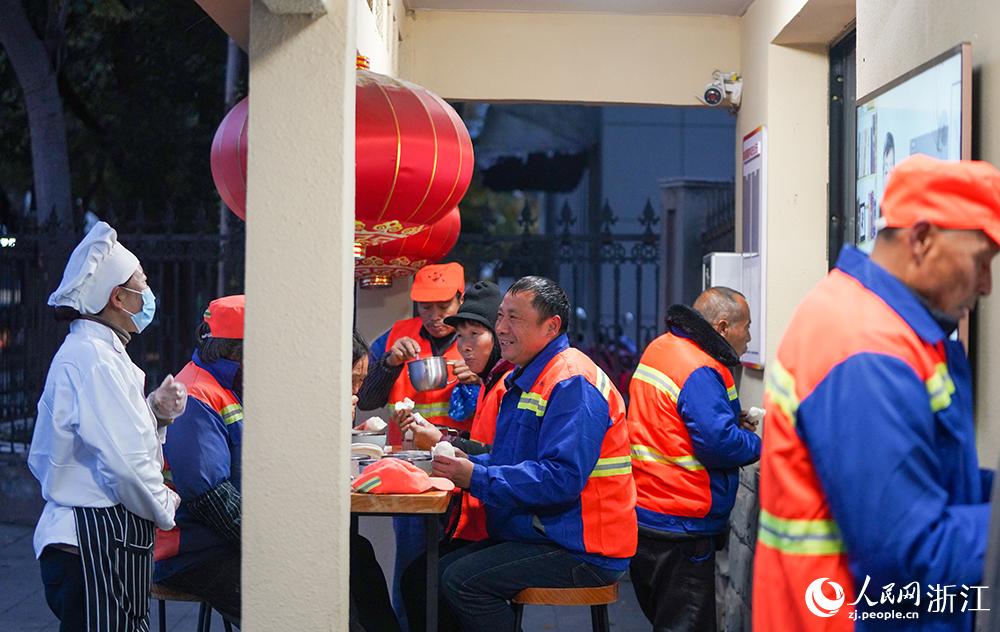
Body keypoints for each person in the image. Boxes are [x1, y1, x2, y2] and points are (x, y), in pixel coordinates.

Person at [753, 154, 1000, 631]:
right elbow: (909, 553)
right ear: (923, 239)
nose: (987, 285)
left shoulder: (877, 323)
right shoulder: (866, 349)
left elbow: (929, 474)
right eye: (982, 260)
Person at [432, 276, 637, 632]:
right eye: (500, 317)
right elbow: (510, 459)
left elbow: (561, 478)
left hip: (584, 547)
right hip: (552, 531)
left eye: (515, 318)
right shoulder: (530, 374)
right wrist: (467, 466)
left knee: (461, 581)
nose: (501, 328)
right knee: (439, 572)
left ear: (551, 325)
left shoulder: (572, 380)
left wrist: (475, 476)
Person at [30, 221, 184, 632]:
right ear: (118, 296)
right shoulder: (94, 357)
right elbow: (126, 464)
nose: (148, 295)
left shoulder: (97, 353)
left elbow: (110, 439)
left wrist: (155, 413)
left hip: (90, 546)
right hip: (91, 546)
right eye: (142, 285)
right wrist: (165, 505)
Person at [627, 287, 761, 632]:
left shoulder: (661, 348)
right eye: (746, 326)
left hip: (648, 515)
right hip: (682, 523)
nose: (749, 336)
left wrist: (731, 421)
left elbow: (676, 424)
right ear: (722, 327)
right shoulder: (700, 367)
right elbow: (719, 445)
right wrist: (757, 441)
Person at [396, 281, 513, 632]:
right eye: (460, 335)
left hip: (504, 521)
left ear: (499, 336)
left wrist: (442, 440)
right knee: (419, 578)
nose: (463, 345)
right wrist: (442, 437)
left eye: (475, 334)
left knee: (427, 581)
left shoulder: (506, 384)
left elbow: (501, 457)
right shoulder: (494, 380)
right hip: (480, 514)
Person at [154, 295, 245, 627]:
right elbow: (209, 497)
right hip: (191, 552)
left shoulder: (229, 384)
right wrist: (269, 540)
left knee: (354, 556)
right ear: (238, 350)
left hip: (215, 541)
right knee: (294, 597)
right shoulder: (195, 394)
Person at [356, 262, 470, 444]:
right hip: (406, 454)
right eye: (425, 307)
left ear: (461, 301)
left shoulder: (481, 341)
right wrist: (389, 364)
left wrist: (482, 377)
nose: (434, 316)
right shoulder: (395, 337)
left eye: (443, 306)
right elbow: (364, 401)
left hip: (460, 456)